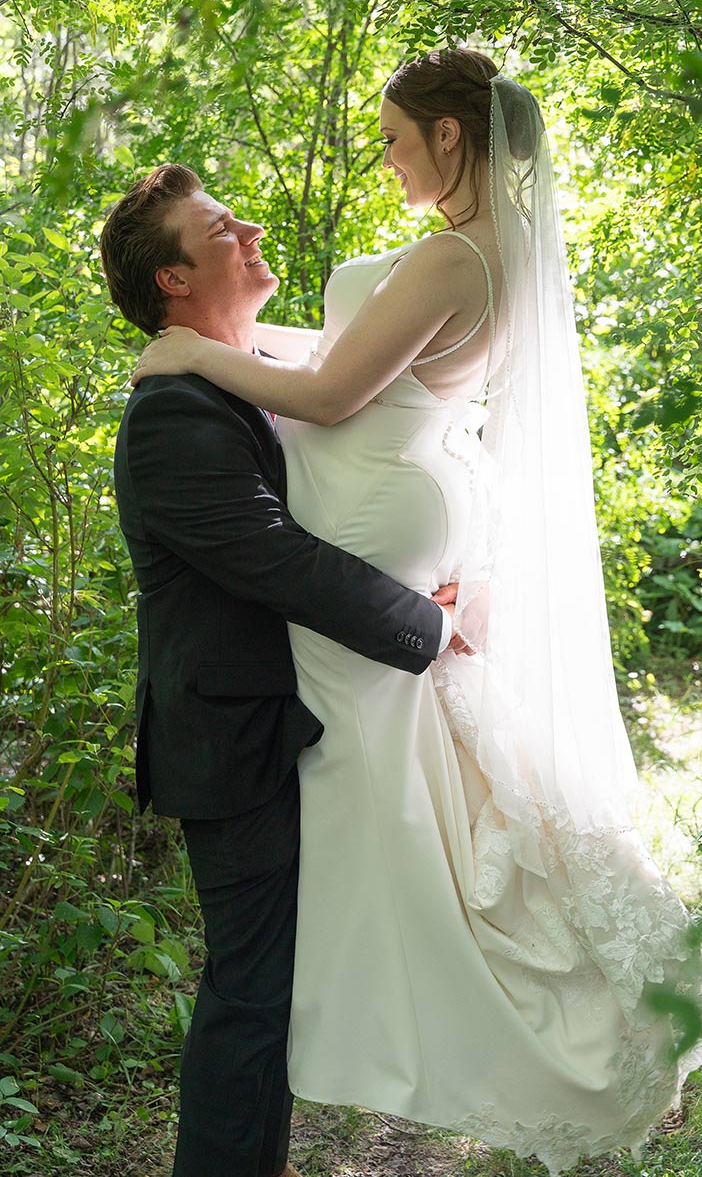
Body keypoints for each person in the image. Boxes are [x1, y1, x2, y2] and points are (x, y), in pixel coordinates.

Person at [132, 49, 702, 1175]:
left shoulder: (454, 256)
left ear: (450, 136)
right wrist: (218, 354)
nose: (387, 157)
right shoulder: (478, 258)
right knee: (309, 933)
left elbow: (331, 394)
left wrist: (199, 353)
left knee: (354, 894)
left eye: (396, 138)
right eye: (220, 230)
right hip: (296, 660)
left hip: (345, 624)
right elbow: (337, 395)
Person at [103, 163, 471, 1177]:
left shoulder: (246, 377)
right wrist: (428, 628)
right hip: (238, 740)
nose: (252, 228)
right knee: (253, 992)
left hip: (305, 720)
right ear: (175, 280)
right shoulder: (172, 413)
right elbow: (275, 559)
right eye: (222, 228)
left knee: (281, 987)